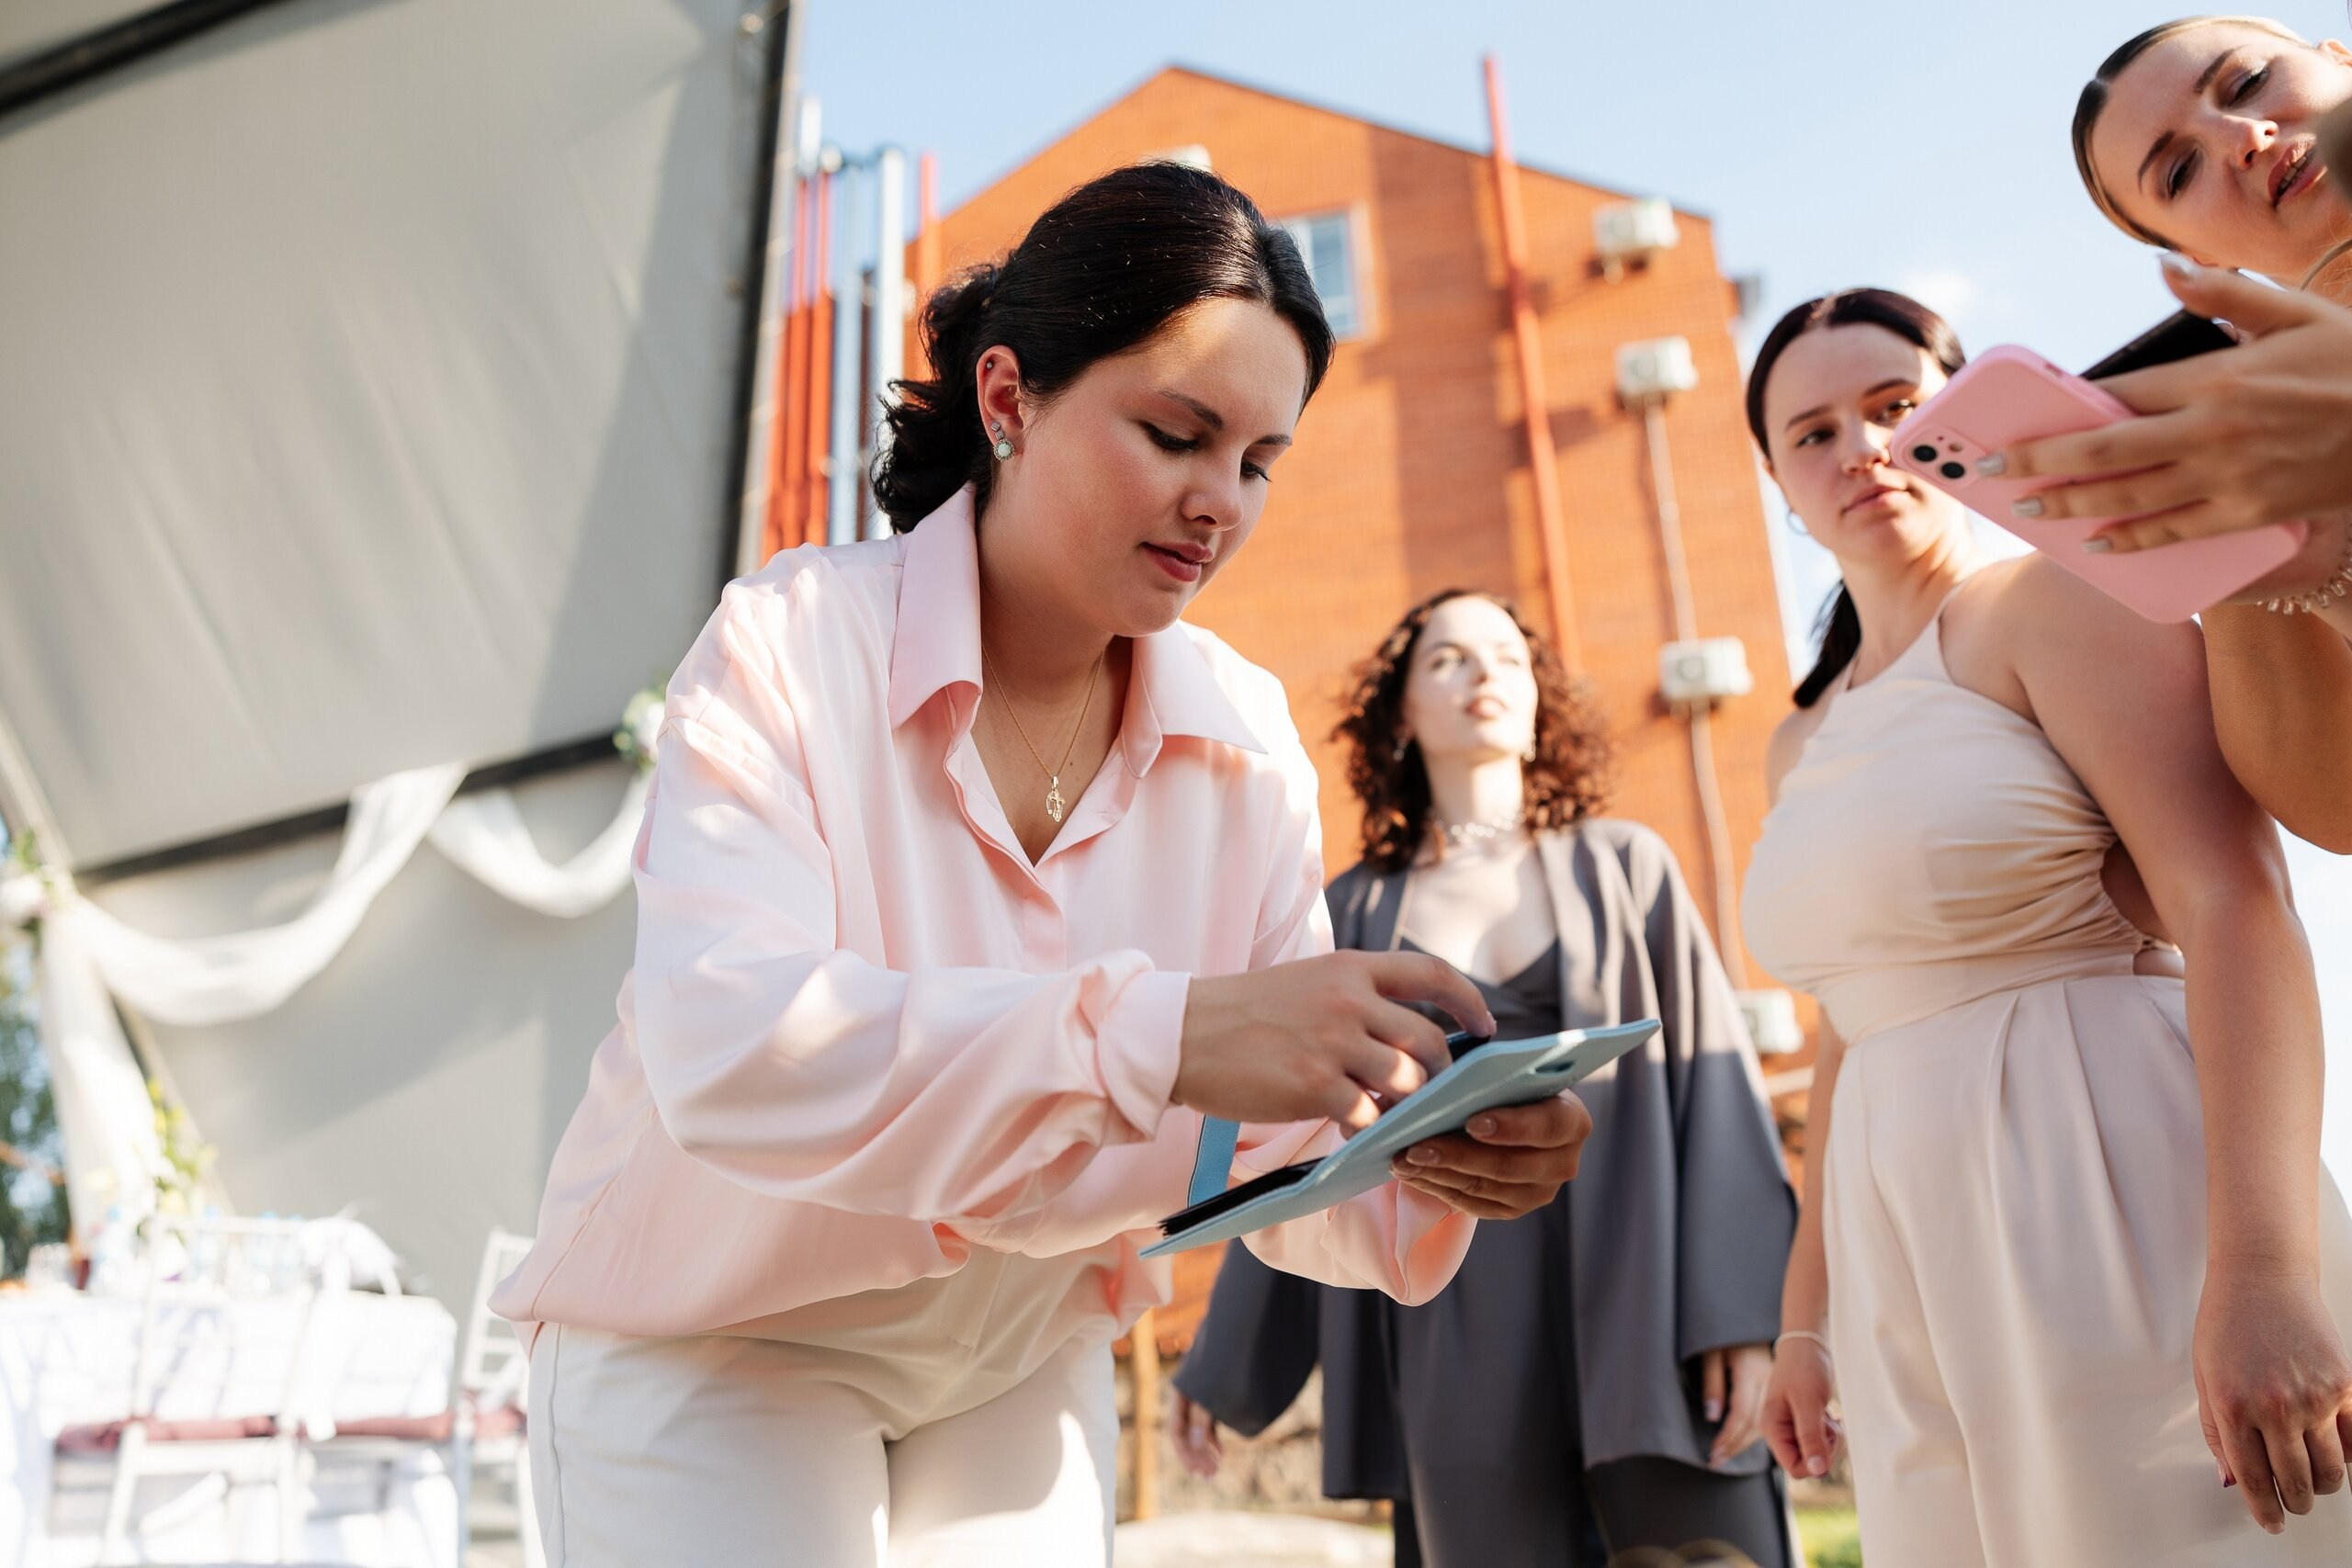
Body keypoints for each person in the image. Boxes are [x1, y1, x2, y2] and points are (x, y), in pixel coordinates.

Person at [488, 163, 1596, 1566]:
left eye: (1258, 462)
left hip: (1022, 1339)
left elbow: (1257, 1152)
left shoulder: (1245, 736)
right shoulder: (792, 640)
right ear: (1008, 397)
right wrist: (1160, 1032)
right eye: (1178, 433)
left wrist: (1426, 1154)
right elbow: (733, 1042)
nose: (1219, 502)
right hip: (716, 1322)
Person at [1739, 286, 2352, 1564]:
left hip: (2104, 1187)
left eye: (1894, 407)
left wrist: (2266, 1271)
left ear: (1957, 416)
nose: (1861, 448)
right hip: (1899, 1244)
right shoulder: (1798, 740)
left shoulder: (2060, 604)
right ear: (1778, 481)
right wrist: (1808, 1315)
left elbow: (2235, 906)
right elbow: (1847, 1024)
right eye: (1814, 432)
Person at [1168, 590, 1798, 1568]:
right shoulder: (1348, 912)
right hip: (1448, 1320)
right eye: (1447, 659)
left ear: (1541, 701)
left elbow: (1713, 1093)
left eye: (1506, 656)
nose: (1483, 675)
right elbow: (1297, 1142)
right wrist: (1220, 1363)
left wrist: (1744, 1314)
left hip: (1646, 1295)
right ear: (1401, 713)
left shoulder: (1628, 867)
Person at [1988, 16, 2352, 848]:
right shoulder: (2246, 451)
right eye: (2182, 171)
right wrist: (2303, 568)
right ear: (2192, 256)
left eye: (2248, 82)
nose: (2243, 139)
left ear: (2340, 58)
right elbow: (2336, 801)